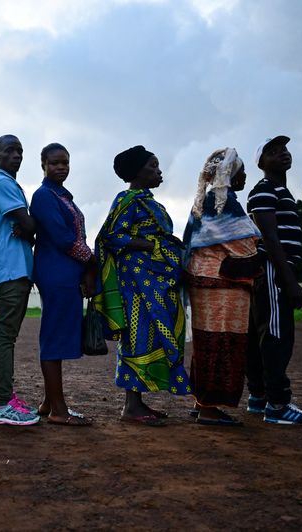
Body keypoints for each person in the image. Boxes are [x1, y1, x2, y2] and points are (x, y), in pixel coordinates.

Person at [95, 145, 191, 427]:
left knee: (154, 334)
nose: (159, 171)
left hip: (159, 282)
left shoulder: (153, 203)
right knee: (137, 335)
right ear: (138, 171)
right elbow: (112, 236)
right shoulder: (127, 200)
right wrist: (153, 246)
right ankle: (131, 406)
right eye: (153, 166)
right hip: (137, 283)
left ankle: (138, 401)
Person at [183, 148, 261, 426]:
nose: (244, 176)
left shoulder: (204, 201)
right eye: (241, 172)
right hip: (222, 283)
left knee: (208, 342)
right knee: (222, 343)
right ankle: (209, 409)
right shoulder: (223, 202)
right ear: (229, 174)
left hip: (207, 282)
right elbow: (244, 245)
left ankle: (202, 401)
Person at [246, 136, 302, 425]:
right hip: (274, 269)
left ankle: (259, 397)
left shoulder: (280, 192)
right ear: (261, 163)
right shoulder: (264, 190)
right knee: (276, 336)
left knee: (261, 335)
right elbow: (270, 238)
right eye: (273, 152)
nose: (282, 154)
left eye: (284, 149)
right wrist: (289, 282)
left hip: (273, 269)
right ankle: (277, 405)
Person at [29, 143, 95, 426]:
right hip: (55, 272)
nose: (61, 167)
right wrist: (92, 261)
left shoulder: (62, 195)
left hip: (65, 272)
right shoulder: (44, 195)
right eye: (55, 163)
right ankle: (59, 410)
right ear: (43, 164)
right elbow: (63, 238)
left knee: (57, 332)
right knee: (54, 337)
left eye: (65, 163)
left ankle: (47, 403)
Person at [0, 134, 40, 426]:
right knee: (6, 335)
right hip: (11, 268)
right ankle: (3, 402)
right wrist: (30, 227)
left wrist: (28, 227)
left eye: (19, 150)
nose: (16, 154)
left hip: (15, 268)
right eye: (9, 150)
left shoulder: (9, 184)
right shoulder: (2, 183)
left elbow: (27, 225)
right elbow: (28, 223)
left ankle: (6, 398)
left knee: (7, 335)